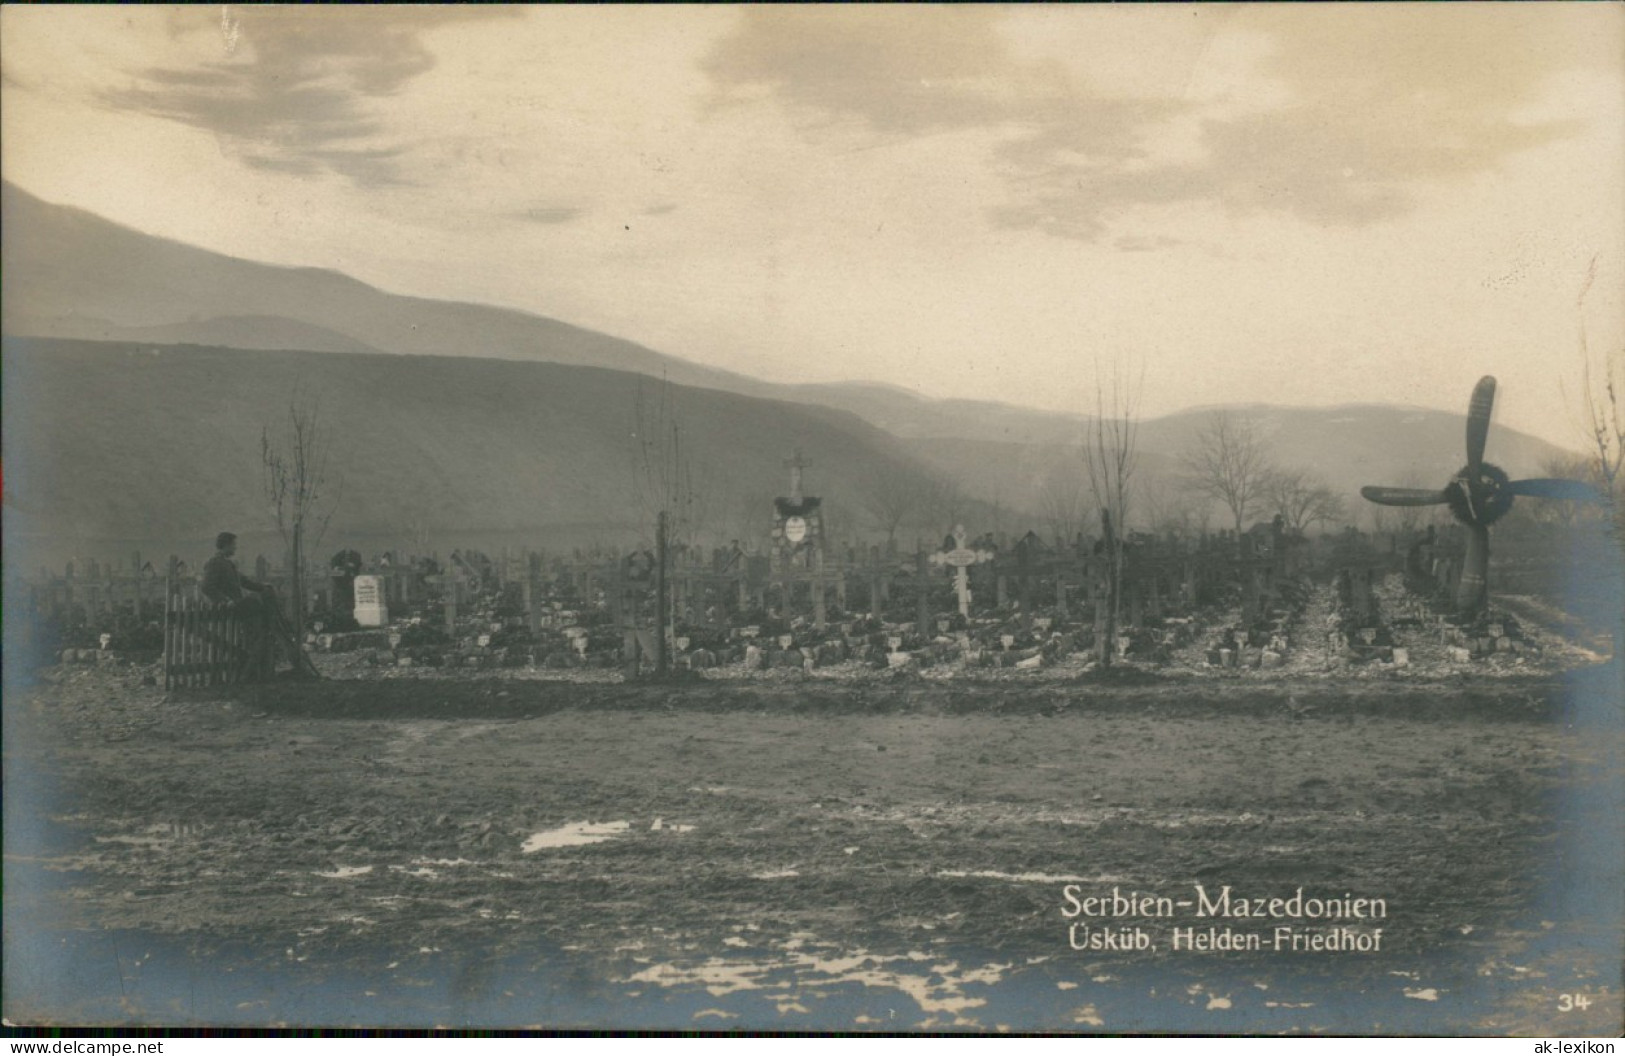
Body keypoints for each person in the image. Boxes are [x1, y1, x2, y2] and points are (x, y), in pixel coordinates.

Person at [201, 532, 270, 608]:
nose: (235, 547)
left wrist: (263, 587)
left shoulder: (228, 563)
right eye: (234, 544)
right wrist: (226, 600)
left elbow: (244, 581)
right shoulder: (214, 563)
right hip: (225, 609)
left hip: (235, 606)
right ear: (226, 545)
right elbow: (206, 587)